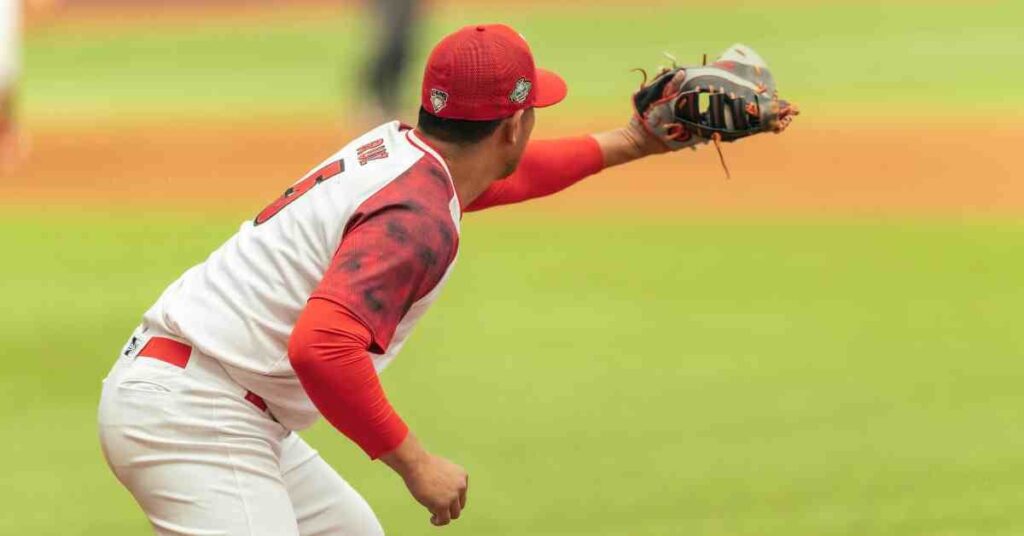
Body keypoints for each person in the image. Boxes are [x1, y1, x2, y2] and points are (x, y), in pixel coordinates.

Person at [98, 24, 796, 535]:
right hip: (195, 418)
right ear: (513, 124)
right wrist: (415, 463)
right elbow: (323, 346)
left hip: (207, 398)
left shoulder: (405, 153)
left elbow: (497, 181)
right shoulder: (419, 213)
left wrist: (631, 142)